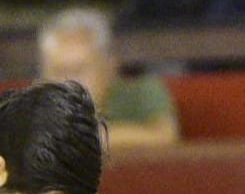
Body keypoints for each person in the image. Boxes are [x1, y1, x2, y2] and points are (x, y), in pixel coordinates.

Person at [37, 9, 179, 149]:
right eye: (59, 71)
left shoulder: (142, 92)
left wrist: (86, 138)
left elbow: (165, 137)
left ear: (108, 67)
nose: (69, 82)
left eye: (79, 70)